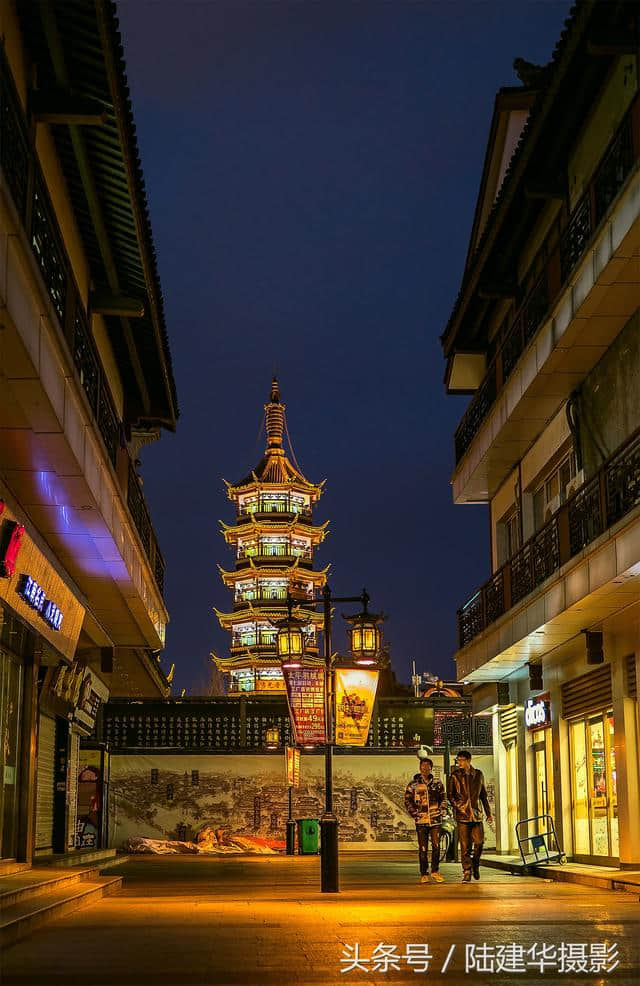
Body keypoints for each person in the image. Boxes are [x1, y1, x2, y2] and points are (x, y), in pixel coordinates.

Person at [447, 749, 493, 883]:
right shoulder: (455, 776)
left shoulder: (478, 775)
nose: (459, 762)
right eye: (458, 760)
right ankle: (467, 871)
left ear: (468, 760)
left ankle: (475, 864)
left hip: (476, 814)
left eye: (461, 760)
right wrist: (459, 807)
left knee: (479, 843)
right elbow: (451, 795)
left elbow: (483, 795)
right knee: (465, 845)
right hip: (462, 815)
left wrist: (488, 813)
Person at [404, 753, 446, 884]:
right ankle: (424, 873)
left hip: (435, 820)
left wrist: (441, 810)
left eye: (427, 767)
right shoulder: (413, 784)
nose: (425, 769)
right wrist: (415, 813)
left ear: (431, 768)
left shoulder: (437, 784)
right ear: (419, 768)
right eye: (422, 766)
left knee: (436, 846)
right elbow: (407, 800)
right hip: (421, 820)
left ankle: (435, 871)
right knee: (423, 848)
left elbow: (443, 798)